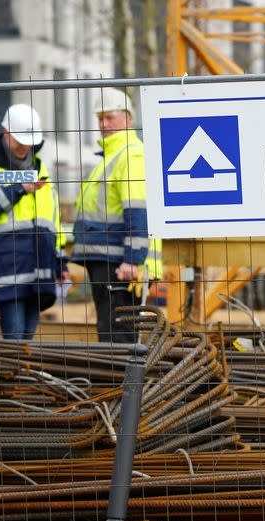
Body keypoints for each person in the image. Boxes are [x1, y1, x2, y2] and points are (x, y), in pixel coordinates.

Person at [0, 104, 69, 339]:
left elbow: (53, 221)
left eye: (29, 141)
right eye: (20, 140)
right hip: (4, 264)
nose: (25, 146)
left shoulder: (41, 173)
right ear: (5, 133)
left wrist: (60, 261)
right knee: (14, 336)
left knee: (27, 337)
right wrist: (19, 189)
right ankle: (13, 375)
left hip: (39, 265)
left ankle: (20, 375)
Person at [72, 88, 162, 343]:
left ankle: (122, 383)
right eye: (100, 118)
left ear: (128, 119)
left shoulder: (131, 155)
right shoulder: (111, 157)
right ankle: (118, 382)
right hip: (108, 259)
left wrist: (132, 259)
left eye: (110, 117)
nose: (104, 124)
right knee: (111, 330)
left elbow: (137, 209)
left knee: (118, 335)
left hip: (120, 264)